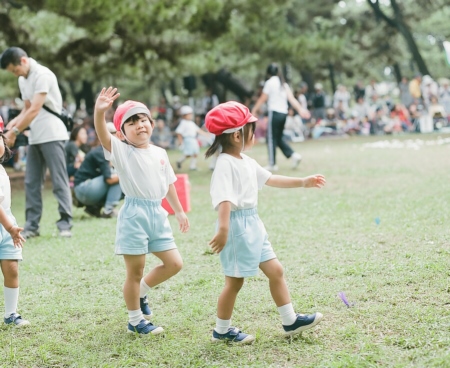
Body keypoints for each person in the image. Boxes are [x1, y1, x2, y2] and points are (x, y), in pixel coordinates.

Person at [204, 101, 325, 344]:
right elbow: (225, 199)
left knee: (276, 271)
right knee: (235, 282)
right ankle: (222, 330)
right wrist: (224, 229)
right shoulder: (225, 164)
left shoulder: (245, 161)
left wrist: (302, 181)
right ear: (237, 135)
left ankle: (290, 320)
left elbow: (270, 179)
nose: (255, 133)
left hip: (253, 224)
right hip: (236, 227)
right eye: (251, 129)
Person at [94, 87, 189, 335]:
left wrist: (178, 211)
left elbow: (169, 183)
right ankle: (135, 321)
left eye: (143, 120)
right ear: (122, 132)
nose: (139, 126)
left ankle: (142, 293)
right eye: (132, 123)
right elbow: (103, 135)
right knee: (134, 272)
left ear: (152, 123)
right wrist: (99, 112)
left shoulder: (160, 152)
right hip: (135, 215)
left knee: (174, 263)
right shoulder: (122, 152)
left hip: (157, 214)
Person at [1, 47, 72, 238]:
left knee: (58, 179)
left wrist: (15, 132)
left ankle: (65, 224)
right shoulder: (22, 79)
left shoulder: (43, 74)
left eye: (15, 70)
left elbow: (35, 109)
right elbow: (26, 110)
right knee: (32, 181)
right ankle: (32, 225)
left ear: (23, 61)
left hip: (53, 133)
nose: (16, 74)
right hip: (35, 136)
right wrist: (9, 127)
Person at [252, 63, 310, 171]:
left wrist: (254, 110)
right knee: (277, 138)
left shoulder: (269, 82)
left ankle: (272, 164)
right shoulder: (283, 84)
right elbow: (292, 99)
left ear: (268, 73)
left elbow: (262, 98)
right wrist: (301, 109)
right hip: (284, 114)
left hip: (274, 113)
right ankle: (294, 155)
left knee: (270, 138)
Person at [0, 116, 29, 327]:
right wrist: (9, 226)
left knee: (12, 267)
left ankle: (11, 313)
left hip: (7, 223)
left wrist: (10, 225)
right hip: (6, 225)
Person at [73, 123, 122, 218]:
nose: (119, 136)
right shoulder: (101, 152)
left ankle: (94, 208)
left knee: (120, 179)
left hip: (88, 189)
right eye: (116, 133)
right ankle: (109, 211)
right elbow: (109, 179)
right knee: (119, 177)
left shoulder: (109, 152)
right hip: (84, 189)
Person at [175, 105, 209, 171]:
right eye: (189, 114)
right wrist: (181, 142)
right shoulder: (183, 123)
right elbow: (178, 132)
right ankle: (179, 161)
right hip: (188, 140)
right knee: (188, 154)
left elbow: (198, 130)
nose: (190, 116)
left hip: (193, 139)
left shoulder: (191, 123)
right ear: (184, 115)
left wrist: (205, 134)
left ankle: (192, 166)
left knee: (195, 152)